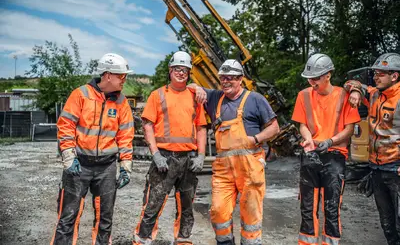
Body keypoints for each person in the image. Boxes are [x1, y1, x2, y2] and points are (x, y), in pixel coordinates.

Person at [190, 59, 280, 245]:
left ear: (240, 79)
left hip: (250, 168)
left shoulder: (255, 99)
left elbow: (274, 128)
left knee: (251, 215)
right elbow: (189, 85)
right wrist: (197, 88)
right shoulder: (215, 98)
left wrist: (255, 139)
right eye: (223, 78)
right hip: (223, 171)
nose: (225, 82)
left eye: (230, 78)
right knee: (218, 211)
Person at [50, 53, 135, 245]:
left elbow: (126, 135)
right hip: (79, 164)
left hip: (107, 167)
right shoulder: (80, 94)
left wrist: (126, 166)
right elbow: (65, 126)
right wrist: (69, 157)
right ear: (107, 75)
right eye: (122, 76)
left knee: (105, 219)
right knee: (68, 216)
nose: (124, 80)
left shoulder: (122, 102)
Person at [133, 51, 207, 245]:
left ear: (189, 73)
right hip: (164, 158)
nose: (180, 73)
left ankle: (183, 240)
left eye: (185, 70)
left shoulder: (194, 96)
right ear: (170, 70)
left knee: (187, 206)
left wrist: (201, 155)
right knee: (153, 204)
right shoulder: (157, 95)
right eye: (177, 69)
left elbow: (201, 128)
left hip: (188, 160)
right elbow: (147, 125)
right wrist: (155, 154)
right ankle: (142, 240)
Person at [291, 53, 360, 245]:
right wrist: (308, 140)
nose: (312, 82)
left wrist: (330, 141)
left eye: (315, 78)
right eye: (309, 79)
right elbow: (302, 124)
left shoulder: (344, 96)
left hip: (335, 156)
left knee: (331, 207)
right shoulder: (303, 95)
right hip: (311, 154)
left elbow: (350, 128)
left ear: (328, 75)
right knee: (307, 207)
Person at [344, 53, 400, 245]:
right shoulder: (375, 93)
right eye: (375, 73)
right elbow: (350, 82)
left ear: (395, 76)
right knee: (386, 222)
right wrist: (356, 91)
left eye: (381, 74)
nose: (376, 77)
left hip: (396, 169)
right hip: (376, 168)